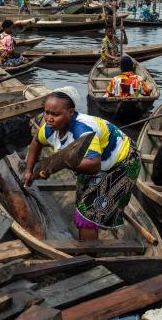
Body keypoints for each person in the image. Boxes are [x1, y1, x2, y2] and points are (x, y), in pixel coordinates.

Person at [23, 87, 141, 239]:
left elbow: (93, 166)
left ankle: (89, 254)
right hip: (93, 161)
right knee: (82, 205)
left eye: (55, 114)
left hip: (122, 162)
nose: (49, 118)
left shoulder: (83, 131)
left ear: (71, 112)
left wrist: (61, 163)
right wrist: (28, 170)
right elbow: (36, 143)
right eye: (46, 112)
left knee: (87, 216)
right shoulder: (49, 128)